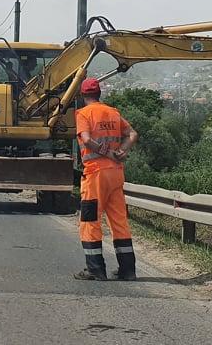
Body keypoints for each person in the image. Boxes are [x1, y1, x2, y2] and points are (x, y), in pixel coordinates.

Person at [74, 77, 139, 281]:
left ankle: (95, 269)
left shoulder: (83, 114)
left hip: (96, 174)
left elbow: (85, 139)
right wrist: (121, 151)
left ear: (83, 95)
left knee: (90, 219)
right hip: (116, 173)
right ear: (99, 93)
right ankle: (127, 270)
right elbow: (132, 134)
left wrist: (106, 152)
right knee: (119, 220)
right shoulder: (113, 112)